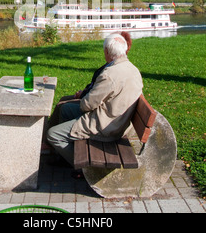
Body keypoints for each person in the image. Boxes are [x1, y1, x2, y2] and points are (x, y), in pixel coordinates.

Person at [47, 33, 143, 168]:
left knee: (53, 135)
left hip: (105, 127)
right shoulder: (133, 70)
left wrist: (82, 99)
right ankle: (64, 156)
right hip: (118, 121)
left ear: (107, 51)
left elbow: (87, 105)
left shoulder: (110, 74)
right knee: (65, 109)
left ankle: (82, 167)